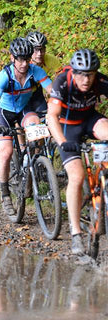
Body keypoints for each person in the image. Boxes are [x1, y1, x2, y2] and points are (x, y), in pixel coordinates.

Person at [46, 49, 108, 255]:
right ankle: (75, 232)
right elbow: (51, 117)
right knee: (77, 175)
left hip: (89, 120)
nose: (86, 79)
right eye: (81, 74)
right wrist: (63, 142)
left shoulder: (100, 81)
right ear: (73, 71)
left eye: (90, 74)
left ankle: (101, 183)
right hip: (66, 128)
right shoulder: (62, 82)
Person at [0, 37, 52, 217]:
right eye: (20, 59)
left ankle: (31, 168)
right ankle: (5, 194)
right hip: (5, 112)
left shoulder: (35, 71)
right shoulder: (5, 75)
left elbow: (53, 93)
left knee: (36, 132)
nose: (24, 64)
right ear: (12, 58)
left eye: (27, 59)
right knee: (6, 152)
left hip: (24, 110)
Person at [25, 31, 61, 114]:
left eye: (42, 49)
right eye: (36, 50)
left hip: (37, 93)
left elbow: (61, 78)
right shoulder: (24, 63)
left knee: (44, 117)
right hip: (21, 94)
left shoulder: (50, 59)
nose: (39, 54)